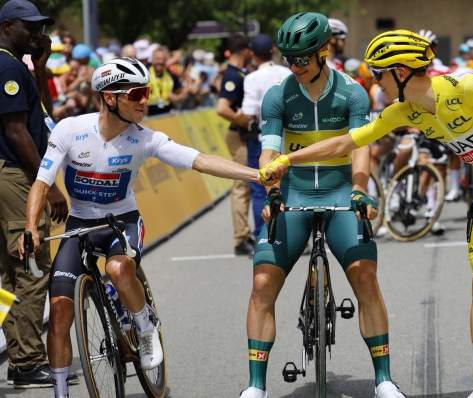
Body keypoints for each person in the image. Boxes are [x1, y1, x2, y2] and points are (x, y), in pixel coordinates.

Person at [260, 30, 473, 398]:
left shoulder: (467, 87)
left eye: (380, 73)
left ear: (402, 72)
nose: (376, 81)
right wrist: (287, 159)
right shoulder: (403, 111)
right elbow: (347, 142)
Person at [17, 56, 281, 398]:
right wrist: (30, 228)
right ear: (110, 98)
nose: (145, 100)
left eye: (147, 92)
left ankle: (144, 327)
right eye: (137, 93)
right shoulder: (71, 130)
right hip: (79, 223)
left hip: (120, 221)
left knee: (117, 268)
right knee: (59, 310)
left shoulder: (145, 138)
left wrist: (256, 174)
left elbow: (201, 160)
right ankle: (61, 393)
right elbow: (41, 182)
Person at [241, 13, 404, 398]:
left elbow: (361, 147)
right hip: (294, 194)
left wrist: (360, 191)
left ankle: (383, 379)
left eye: (301, 59)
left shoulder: (352, 93)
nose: (294, 67)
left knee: (365, 275)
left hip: (339, 194)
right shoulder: (279, 96)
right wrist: (273, 192)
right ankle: (255, 386)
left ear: (323, 53)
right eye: (288, 59)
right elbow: (269, 152)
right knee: (262, 283)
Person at [0, 0, 71, 388]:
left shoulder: (17, 64)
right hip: (14, 175)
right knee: (32, 267)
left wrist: (40, 68)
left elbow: (40, 114)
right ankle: (27, 361)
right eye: (31, 28)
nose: (39, 35)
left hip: (6, 174)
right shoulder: (7, 66)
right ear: (8, 26)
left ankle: (18, 358)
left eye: (41, 28)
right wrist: (49, 184)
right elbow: (17, 131)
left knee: (8, 275)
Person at [238, 34, 291, 241]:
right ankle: (293, 235)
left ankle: (265, 234)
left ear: (252, 55)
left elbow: (248, 112)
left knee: (261, 184)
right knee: (287, 183)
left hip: (263, 137)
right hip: (288, 135)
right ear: (273, 52)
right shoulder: (287, 72)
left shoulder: (252, 78)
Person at [216, 33, 256, 256]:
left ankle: (244, 234)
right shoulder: (233, 76)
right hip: (238, 135)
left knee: (245, 186)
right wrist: (242, 119)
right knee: (241, 186)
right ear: (247, 51)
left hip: (242, 135)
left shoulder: (239, 74)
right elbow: (222, 108)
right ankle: (241, 238)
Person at [146, 46, 184, 116]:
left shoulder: (171, 76)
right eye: (158, 59)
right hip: (147, 117)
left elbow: (182, 95)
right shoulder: (144, 74)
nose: (160, 62)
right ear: (152, 59)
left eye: (163, 59)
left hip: (166, 116)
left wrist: (176, 98)